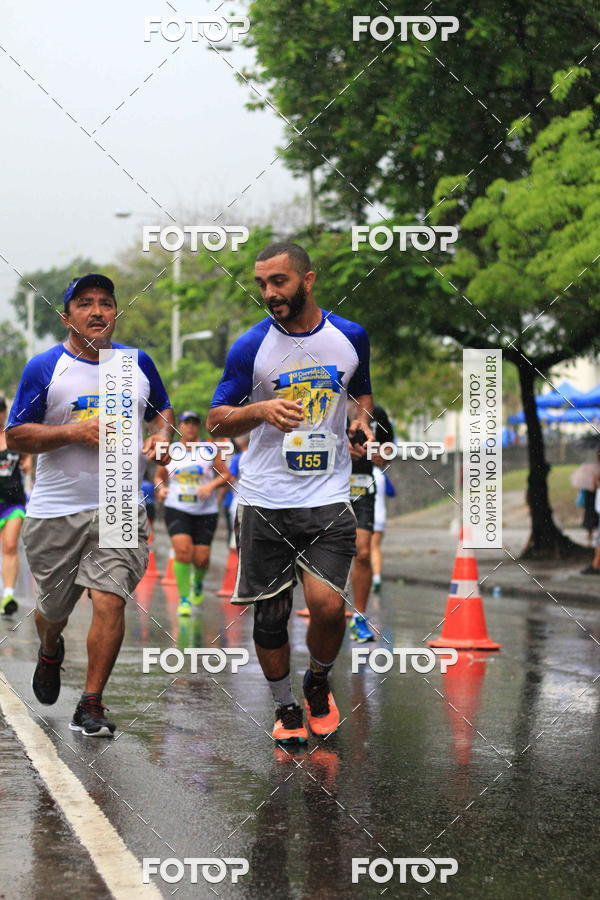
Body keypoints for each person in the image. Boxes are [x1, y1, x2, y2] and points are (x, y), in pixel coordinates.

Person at [207, 241, 374, 744]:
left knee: (327, 605)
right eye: (261, 284)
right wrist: (259, 410)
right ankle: (285, 707)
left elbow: (360, 390)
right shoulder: (250, 347)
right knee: (272, 615)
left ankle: (317, 682)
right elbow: (217, 419)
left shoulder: (350, 337)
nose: (269, 293)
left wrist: (361, 421)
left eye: (278, 281)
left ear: (307, 279)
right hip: (264, 498)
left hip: (326, 495)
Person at [6, 273, 173, 736]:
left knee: (110, 600)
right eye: (85, 303)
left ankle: (92, 702)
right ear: (67, 316)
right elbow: (17, 433)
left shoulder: (135, 364)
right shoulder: (45, 368)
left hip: (120, 500)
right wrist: (72, 432)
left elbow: (162, 408)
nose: (97, 311)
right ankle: (50, 646)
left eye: (105, 303)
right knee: (53, 609)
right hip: (56, 508)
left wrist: (160, 438)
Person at [154, 410, 233, 615]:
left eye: (193, 423)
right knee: (182, 551)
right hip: (177, 508)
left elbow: (226, 475)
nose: (190, 427)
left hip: (206, 511)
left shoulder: (209, 450)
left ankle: (197, 583)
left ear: (198, 427)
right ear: (179, 427)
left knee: (201, 558)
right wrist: (161, 489)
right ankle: (184, 599)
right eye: (186, 423)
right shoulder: (170, 451)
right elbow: (159, 476)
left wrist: (211, 486)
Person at [0, 397, 32, 615]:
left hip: (13, 502)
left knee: (10, 545)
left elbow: (28, 455)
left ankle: (8, 594)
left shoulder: (13, 435)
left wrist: (28, 461)